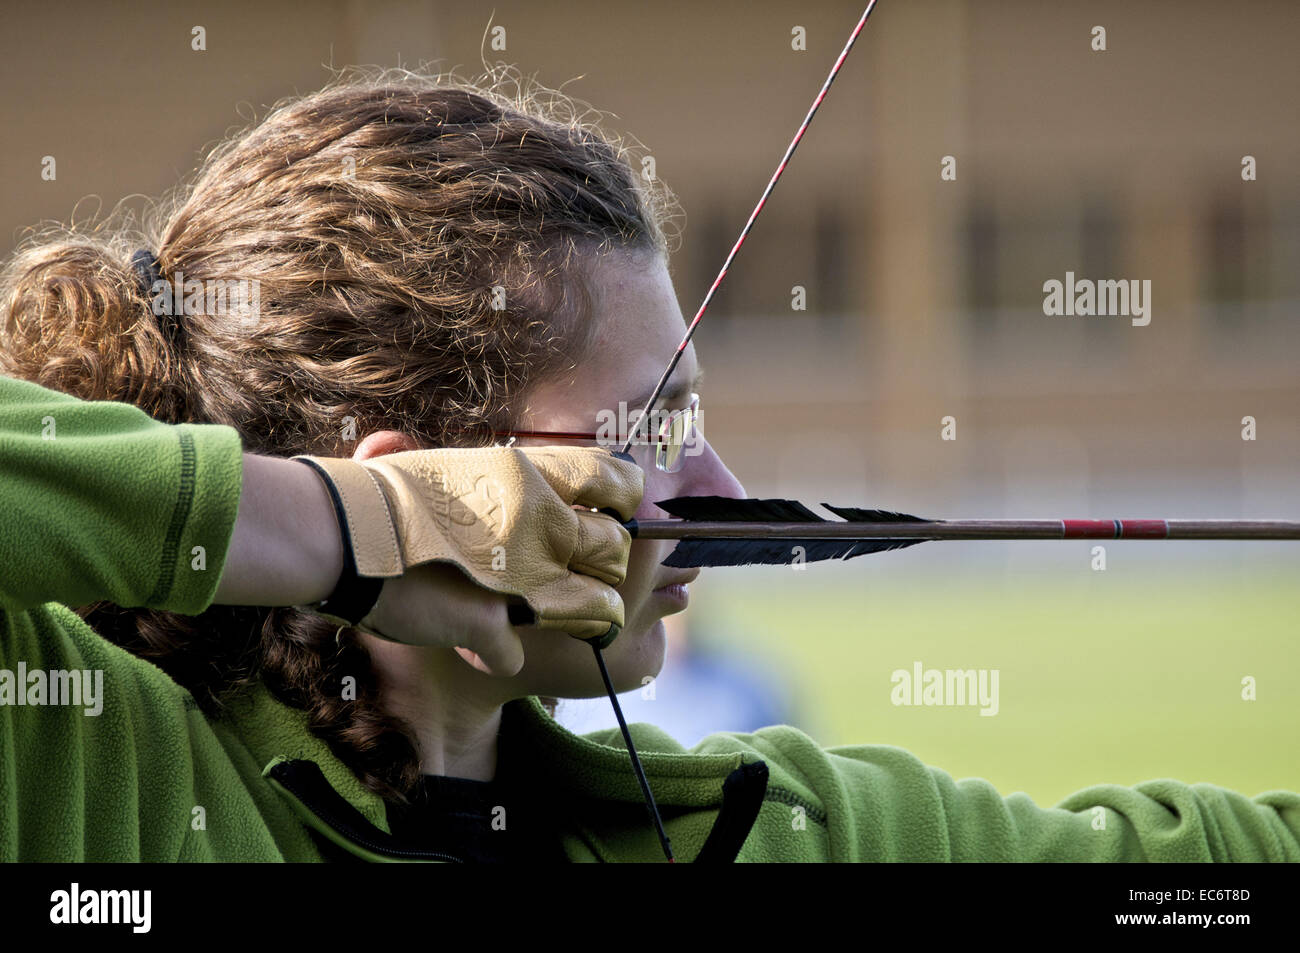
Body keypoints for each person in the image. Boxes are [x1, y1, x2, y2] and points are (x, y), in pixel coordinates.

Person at [1, 68, 1296, 863]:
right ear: (429, 485)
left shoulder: (747, 828)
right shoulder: (91, 778)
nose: (722, 493)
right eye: (645, 431)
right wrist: (337, 531)